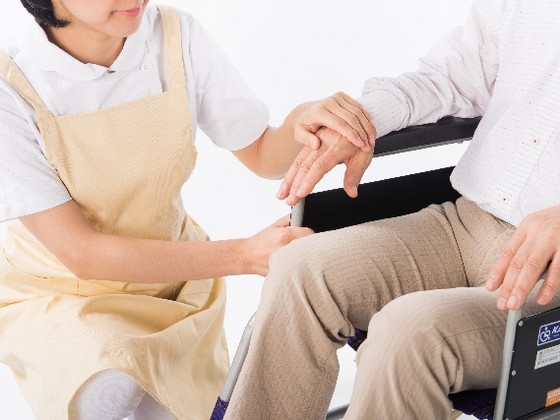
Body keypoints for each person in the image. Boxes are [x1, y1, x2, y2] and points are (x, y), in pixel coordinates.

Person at [0, 1, 376, 419]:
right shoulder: (11, 83)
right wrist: (243, 255)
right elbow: (82, 253)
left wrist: (303, 121)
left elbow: (259, 151)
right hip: (63, 295)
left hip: (175, 287)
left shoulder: (174, 36)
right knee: (106, 385)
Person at [223, 0, 560, 418]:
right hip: (469, 224)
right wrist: (360, 121)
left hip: (550, 275)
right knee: (300, 268)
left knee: (407, 330)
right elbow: (447, 80)